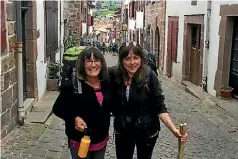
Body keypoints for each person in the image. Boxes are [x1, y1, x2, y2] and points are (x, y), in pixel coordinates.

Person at [109, 42, 187, 159]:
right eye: (127, 59)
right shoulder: (114, 75)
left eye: (136, 58)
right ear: (121, 60)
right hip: (123, 129)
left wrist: (174, 129)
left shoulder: (150, 76)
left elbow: (159, 106)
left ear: (141, 58)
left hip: (147, 130)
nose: (132, 62)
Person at [52, 47, 112, 159]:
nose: (93, 65)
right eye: (88, 61)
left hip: (101, 139)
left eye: (96, 61)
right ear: (82, 64)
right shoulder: (73, 85)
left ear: (102, 63)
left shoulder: (106, 82)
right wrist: (74, 118)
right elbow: (58, 108)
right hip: (79, 140)